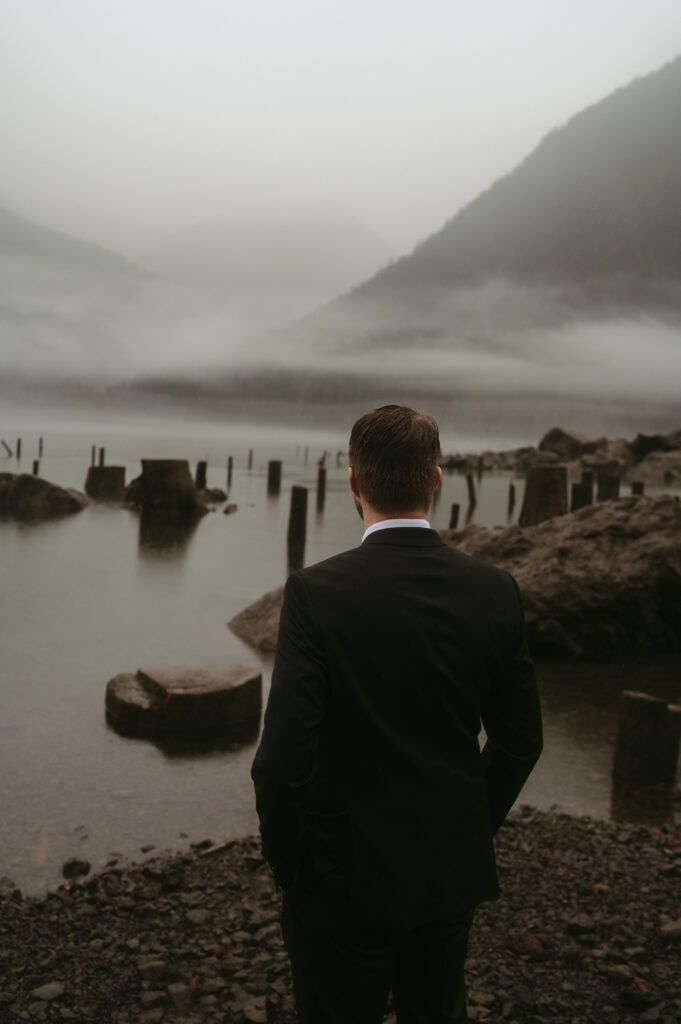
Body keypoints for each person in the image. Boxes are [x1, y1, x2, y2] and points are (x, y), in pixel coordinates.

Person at [251, 404, 543, 1024]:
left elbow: (281, 763)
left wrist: (292, 864)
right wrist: (466, 828)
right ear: (435, 480)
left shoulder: (313, 594)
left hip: (342, 878)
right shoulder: (496, 591)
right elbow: (520, 742)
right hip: (446, 873)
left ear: (353, 481)